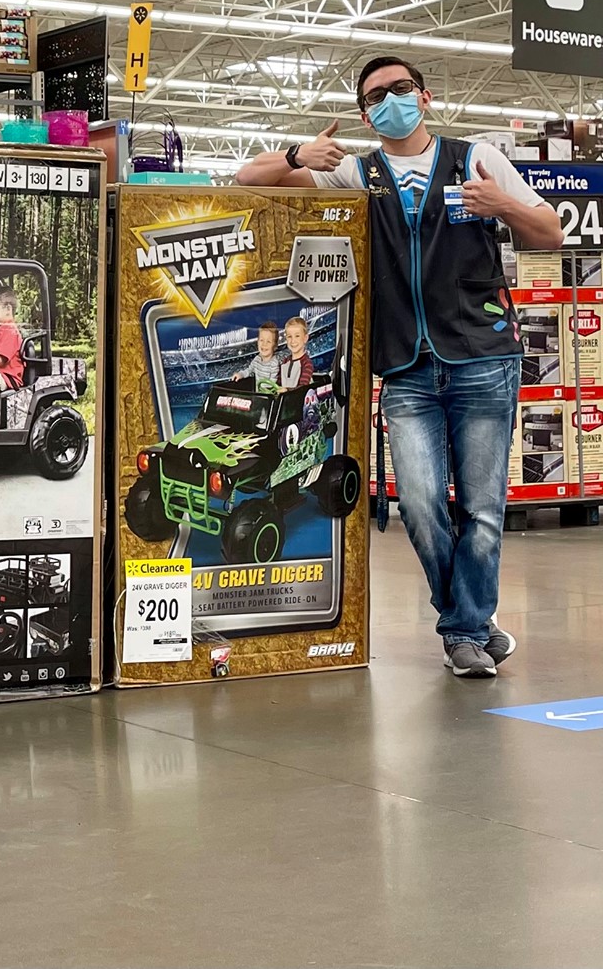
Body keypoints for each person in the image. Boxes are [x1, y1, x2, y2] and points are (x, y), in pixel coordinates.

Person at [235, 55, 564, 678]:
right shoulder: (356, 173)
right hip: (406, 366)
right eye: (376, 96)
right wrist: (298, 155)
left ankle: (463, 630)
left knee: (483, 509)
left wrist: (502, 204)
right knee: (417, 502)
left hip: (483, 357)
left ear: (425, 96)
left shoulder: (476, 159)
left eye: (401, 88)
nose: (391, 100)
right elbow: (247, 178)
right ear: (365, 115)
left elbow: (550, 232)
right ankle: (470, 620)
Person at [281, 316, 315, 388]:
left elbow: (303, 387)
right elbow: (278, 383)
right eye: (289, 336)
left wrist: (287, 391)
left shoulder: (307, 363)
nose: (293, 341)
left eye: (297, 336)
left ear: (305, 338)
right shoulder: (285, 361)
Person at [247, 322, 283, 389]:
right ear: (257, 342)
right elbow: (249, 370)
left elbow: (272, 383)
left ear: (275, 346)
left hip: (268, 393)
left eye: (268, 341)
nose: (264, 344)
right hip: (258, 393)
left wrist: (262, 389)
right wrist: (240, 374)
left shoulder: (274, 364)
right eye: (261, 340)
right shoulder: (257, 359)